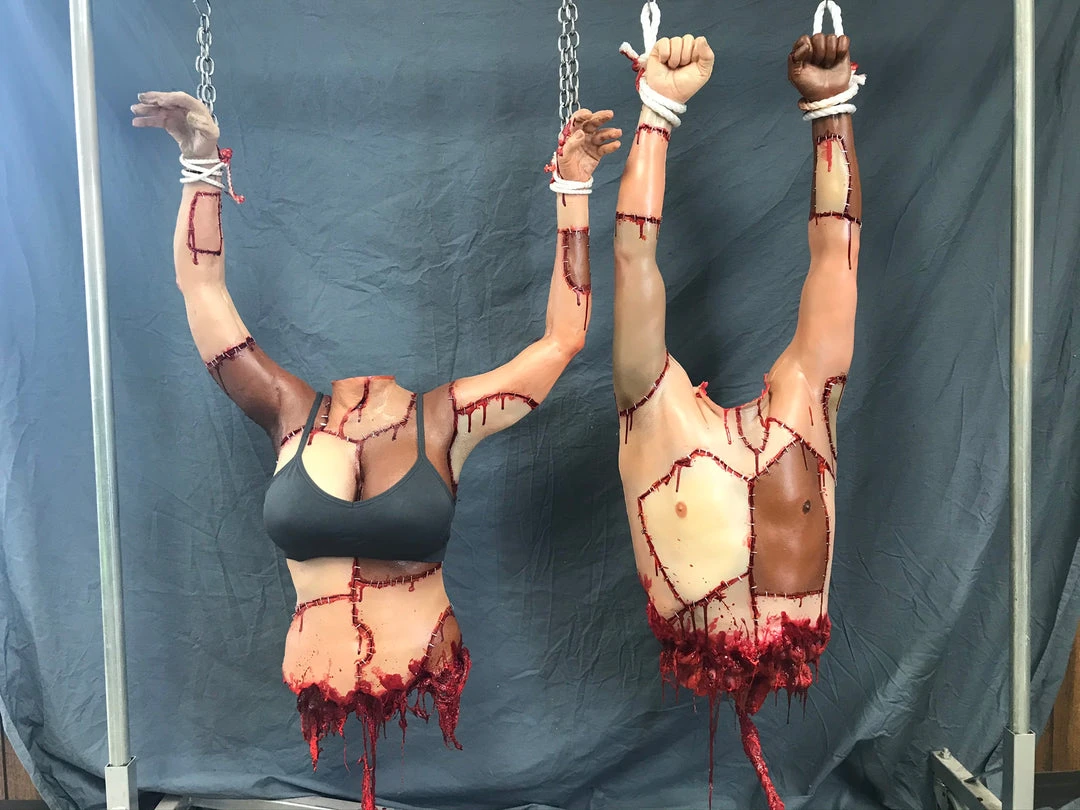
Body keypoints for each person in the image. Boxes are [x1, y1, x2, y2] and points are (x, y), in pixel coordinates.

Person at [131, 91, 620, 810]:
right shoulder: (288, 412)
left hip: (421, 673)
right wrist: (200, 164)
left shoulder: (444, 421)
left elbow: (562, 340)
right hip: (319, 678)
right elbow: (200, 290)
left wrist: (573, 188)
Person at [611, 28, 862, 810]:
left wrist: (832, 108)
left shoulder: (808, 405)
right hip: (714, 635)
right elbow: (632, 259)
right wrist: (656, 111)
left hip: (764, 634)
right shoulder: (652, 419)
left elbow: (838, 253)